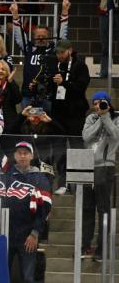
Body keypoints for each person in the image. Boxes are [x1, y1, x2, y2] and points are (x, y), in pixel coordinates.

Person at [0, 142, 52, 283]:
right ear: (15, 156)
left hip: (27, 237)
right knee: (2, 278)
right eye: (19, 153)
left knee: (28, 279)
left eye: (26, 153)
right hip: (5, 235)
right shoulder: (6, 175)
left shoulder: (40, 178)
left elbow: (44, 209)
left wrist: (35, 233)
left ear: (31, 156)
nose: (22, 156)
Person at [10, 0, 70, 109]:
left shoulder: (54, 49)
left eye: (44, 36)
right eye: (38, 36)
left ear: (49, 37)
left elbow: (62, 36)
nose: (41, 38)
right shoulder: (29, 48)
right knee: (27, 124)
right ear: (33, 37)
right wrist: (15, 15)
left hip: (49, 96)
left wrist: (65, 12)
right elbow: (19, 36)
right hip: (29, 95)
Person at [47, 39, 89, 195]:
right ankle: (63, 183)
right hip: (58, 113)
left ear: (70, 50)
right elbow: (51, 89)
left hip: (75, 114)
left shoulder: (80, 66)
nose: (59, 55)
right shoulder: (54, 65)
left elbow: (81, 88)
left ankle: (81, 183)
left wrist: (64, 82)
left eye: (62, 52)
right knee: (59, 149)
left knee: (77, 146)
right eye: (57, 52)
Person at [81, 91, 119, 260]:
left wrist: (106, 117)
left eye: (101, 103)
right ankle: (85, 246)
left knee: (103, 209)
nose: (97, 106)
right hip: (88, 166)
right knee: (87, 208)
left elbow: (115, 135)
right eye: (95, 103)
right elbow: (86, 137)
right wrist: (100, 119)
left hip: (105, 166)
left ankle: (102, 249)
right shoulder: (91, 118)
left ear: (109, 103)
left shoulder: (116, 118)